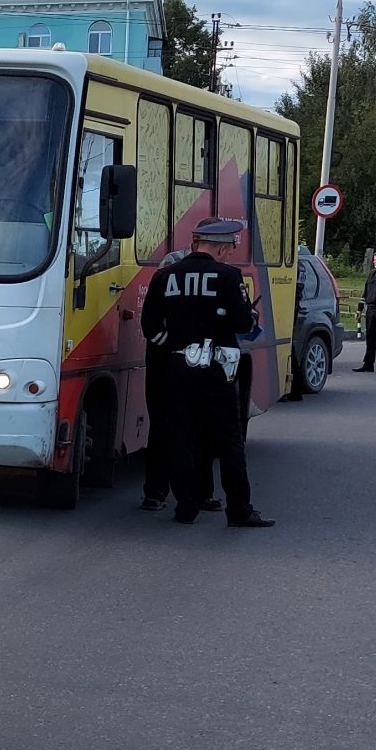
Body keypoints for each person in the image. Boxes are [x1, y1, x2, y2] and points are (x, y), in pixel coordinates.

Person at [143, 217, 273, 528]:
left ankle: (186, 508)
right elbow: (244, 325)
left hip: (176, 366)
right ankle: (239, 510)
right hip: (216, 367)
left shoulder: (165, 276)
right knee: (228, 439)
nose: (230, 254)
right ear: (219, 246)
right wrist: (245, 317)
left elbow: (150, 326)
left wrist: (174, 345)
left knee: (179, 436)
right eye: (229, 248)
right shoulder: (228, 276)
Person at [138, 247, 219, 516]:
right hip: (169, 363)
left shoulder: (170, 283)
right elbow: (150, 326)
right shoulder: (166, 285)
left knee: (194, 430)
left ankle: (191, 493)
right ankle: (162, 492)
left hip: (174, 362)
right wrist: (174, 345)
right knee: (169, 428)